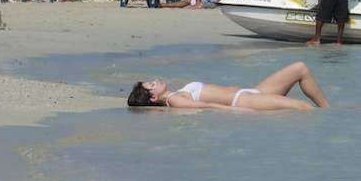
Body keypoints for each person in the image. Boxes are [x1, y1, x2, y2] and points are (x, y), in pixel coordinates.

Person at [127, 61, 339, 111]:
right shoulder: (174, 100)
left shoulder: (177, 93)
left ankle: (329, 111)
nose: (155, 81)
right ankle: (342, 114)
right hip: (245, 101)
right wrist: (239, 111)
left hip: (254, 91)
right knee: (304, 109)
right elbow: (207, 106)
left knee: (300, 68)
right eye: (152, 85)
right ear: (153, 98)